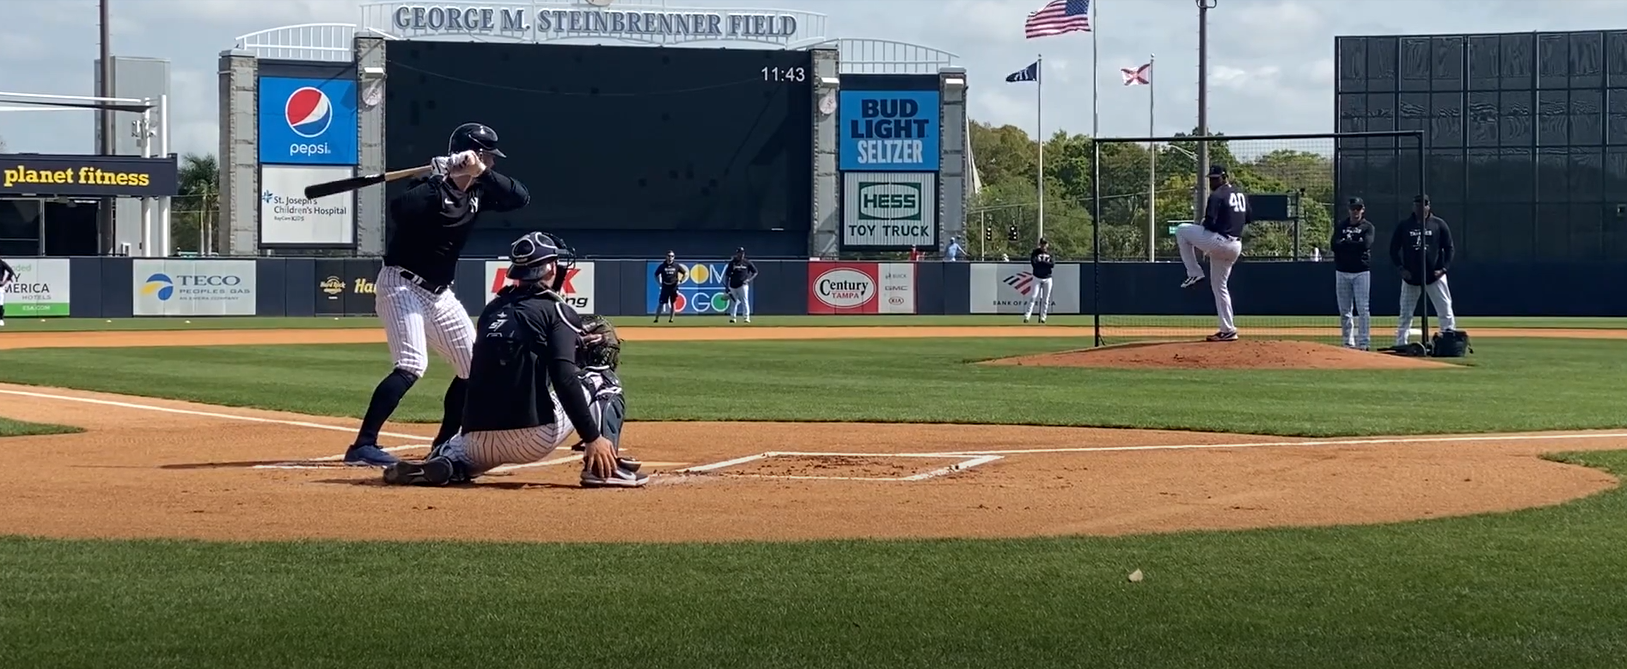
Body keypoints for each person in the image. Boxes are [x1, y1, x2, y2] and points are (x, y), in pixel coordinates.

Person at [382, 232, 647, 488]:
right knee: (602, 377)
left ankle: (448, 461)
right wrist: (591, 436)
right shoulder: (557, 311)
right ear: (552, 267)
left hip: (476, 440)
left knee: (465, 451)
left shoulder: (492, 310)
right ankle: (602, 469)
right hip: (532, 438)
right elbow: (564, 378)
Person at [344, 122, 531, 467]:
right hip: (402, 284)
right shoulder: (429, 190)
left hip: (440, 294)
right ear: (469, 151)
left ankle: (443, 445)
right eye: (486, 156)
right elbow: (400, 211)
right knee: (412, 364)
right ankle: (362, 445)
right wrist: (439, 178)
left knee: (474, 368)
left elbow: (519, 196)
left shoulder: (478, 191)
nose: (491, 162)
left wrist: (480, 173)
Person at [1175, 164, 1251, 342]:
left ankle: (1194, 273)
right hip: (1235, 246)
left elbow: (1209, 222)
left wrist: (1207, 227)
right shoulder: (1240, 193)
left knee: (1181, 230)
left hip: (1220, 241)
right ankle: (1228, 330)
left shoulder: (1217, 195)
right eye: (1211, 178)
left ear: (1225, 177)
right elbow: (1248, 218)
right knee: (1220, 287)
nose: (1213, 181)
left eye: (1216, 178)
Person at [1390, 194, 1457, 348]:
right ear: (1413, 206)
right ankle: (1401, 343)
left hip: (1435, 276)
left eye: (1424, 204)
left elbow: (1449, 248)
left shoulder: (1438, 224)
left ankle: (1449, 341)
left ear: (1429, 206)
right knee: (1405, 313)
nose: (1421, 207)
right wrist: (1401, 269)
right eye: (1418, 204)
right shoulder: (1405, 225)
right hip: (1411, 277)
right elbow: (1393, 249)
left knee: (1445, 308)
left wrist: (1444, 269)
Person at [1331, 197, 1376, 350]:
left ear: (1363, 210)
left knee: (1363, 309)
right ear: (1349, 209)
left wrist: (1346, 243)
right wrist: (1353, 245)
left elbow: (1366, 244)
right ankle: (1347, 342)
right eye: (1353, 208)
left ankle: (1364, 342)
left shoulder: (1368, 227)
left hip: (1361, 272)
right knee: (1345, 310)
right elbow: (1334, 245)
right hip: (1342, 271)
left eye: (1358, 208)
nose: (1355, 211)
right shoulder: (1341, 226)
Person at [1023, 237, 1055, 324]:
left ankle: (1043, 317)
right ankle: (1027, 316)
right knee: (1033, 297)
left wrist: (1042, 263)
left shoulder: (1050, 253)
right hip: (1037, 277)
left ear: (1047, 245)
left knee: (1046, 299)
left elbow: (1052, 265)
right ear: (1040, 244)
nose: (1043, 246)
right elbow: (1034, 264)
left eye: (1045, 244)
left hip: (1047, 277)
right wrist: (1044, 264)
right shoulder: (1035, 252)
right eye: (1042, 244)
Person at [724, 247, 757, 324]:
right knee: (733, 302)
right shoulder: (732, 263)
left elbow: (755, 272)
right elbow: (727, 275)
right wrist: (726, 286)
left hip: (743, 285)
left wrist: (749, 279)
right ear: (737, 254)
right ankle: (733, 318)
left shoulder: (747, 262)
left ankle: (746, 317)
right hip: (733, 285)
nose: (741, 254)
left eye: (742, 253)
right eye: (740, 253)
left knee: (745, 301)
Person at [653, 250, 686, 323]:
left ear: (674, 257)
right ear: (666, 257)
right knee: (661, 304)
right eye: (669, 256)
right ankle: (656, 319)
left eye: (672, 256)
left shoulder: (676, 266)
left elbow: (684, 273)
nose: (670, 258)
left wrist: (680, 281)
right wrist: (659, 282)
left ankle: (671, 319)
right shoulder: (662, 266)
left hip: (673, 287)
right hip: (665, 287)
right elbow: (656, 274)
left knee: (673, 303)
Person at [0, 257, 14, 327]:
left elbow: (11, 272)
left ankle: (1, 319)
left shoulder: (2, 263)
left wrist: (4, 282)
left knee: (0, 303)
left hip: (0, 287)